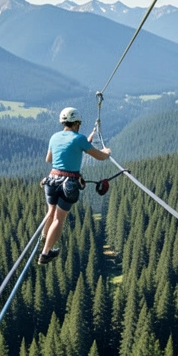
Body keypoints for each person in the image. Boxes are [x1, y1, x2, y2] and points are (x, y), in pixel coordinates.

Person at [39, 107, 111, 265]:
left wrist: (74, 150)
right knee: (59, 219)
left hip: (51, 180)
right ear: (77, 122)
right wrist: (107, 152)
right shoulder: (79, 139)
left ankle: (45, 239)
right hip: (69, 184)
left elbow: (49, 159)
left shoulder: (55, 137)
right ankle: (45, 253)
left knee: (50, 213)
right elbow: (100, 157)